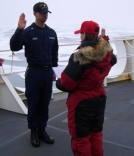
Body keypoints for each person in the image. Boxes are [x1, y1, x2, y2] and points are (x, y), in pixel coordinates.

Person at [56, 21, 117, 156]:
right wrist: (105, 43)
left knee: (81, 139)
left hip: (81, 103)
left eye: (81, 33)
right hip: (99, 99)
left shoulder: (79, 57)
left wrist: (57, 82)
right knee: (96, 135)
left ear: (84, 35)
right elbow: (113, 59)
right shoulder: (107, 55)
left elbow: (67, 84)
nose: (80, 36)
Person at [10, 2, 58, 147]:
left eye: (46, 12)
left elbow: (54, 53)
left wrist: (54, 70)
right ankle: (34, 132)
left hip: (47, 72)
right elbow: (14, 46)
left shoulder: (51, 32)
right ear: (35, 14)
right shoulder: (28, 31)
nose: (44, 15)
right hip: (34, 73)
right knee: (33, 102)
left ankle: (42, 129)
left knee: (44, 103)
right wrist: (19, 29)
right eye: (42, 12)